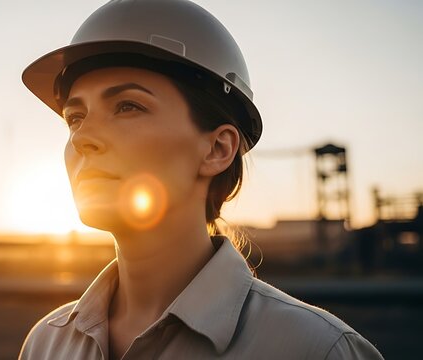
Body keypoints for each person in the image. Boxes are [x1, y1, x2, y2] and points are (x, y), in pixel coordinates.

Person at [19, 0, 383, 359]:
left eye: (127, 106)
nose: (82, 138)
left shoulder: (317, 350)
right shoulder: (46, 345)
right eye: (75, 118)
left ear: (218, 149)